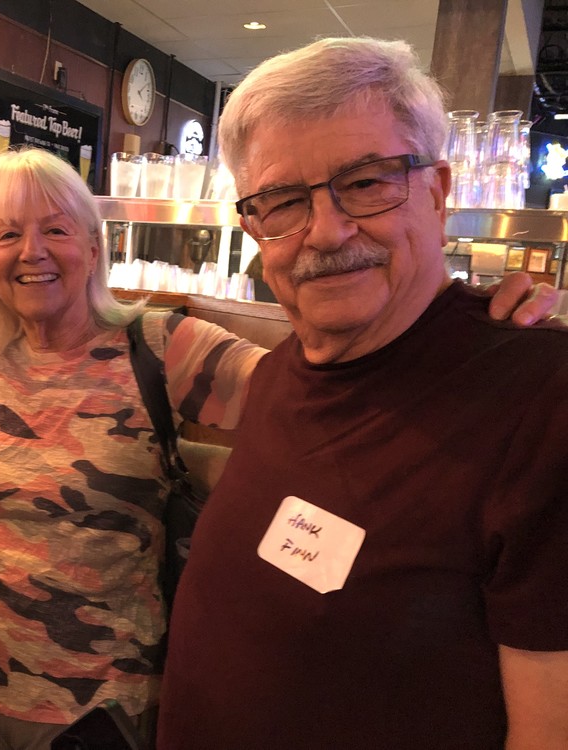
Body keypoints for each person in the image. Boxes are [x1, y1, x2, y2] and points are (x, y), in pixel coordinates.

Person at [0, 147, 554, 750]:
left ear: (94, 246)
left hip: (99, 702)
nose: (31, 252)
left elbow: (323, 397)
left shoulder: (163, 346)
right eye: (7, 234)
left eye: (55, 229)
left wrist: (461, 330)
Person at [157, 37, 568, 749]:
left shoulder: (544, 403)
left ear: (437, 192)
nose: (326, 231)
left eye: (367, 182)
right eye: (282, 201)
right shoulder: (284, 370)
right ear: (253, 226)